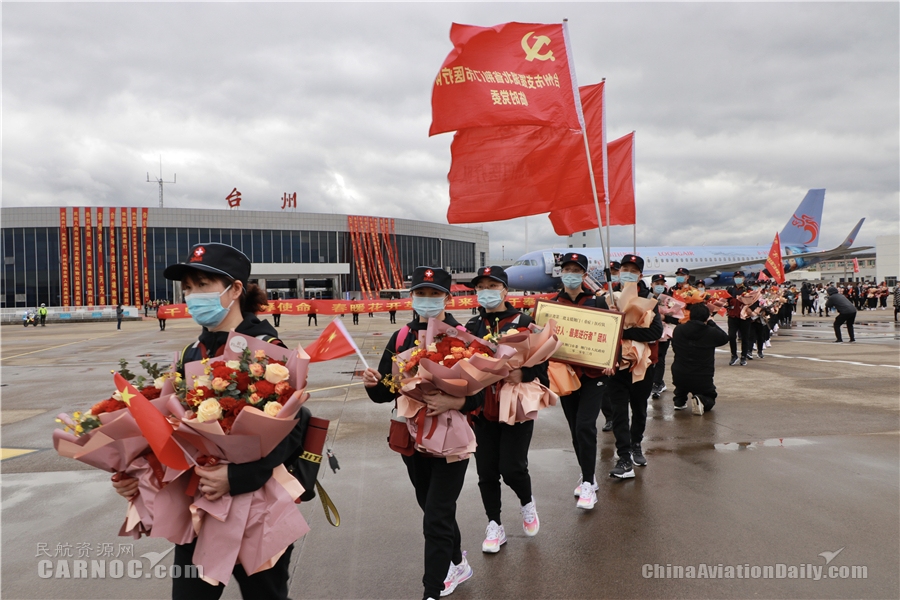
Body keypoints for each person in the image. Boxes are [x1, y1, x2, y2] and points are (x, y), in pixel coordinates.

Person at [112, 242, 303, 600]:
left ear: (234, 290)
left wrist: (236, 476)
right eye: (188, 287)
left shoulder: (266, 348)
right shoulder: (190, 353)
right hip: (197, 508)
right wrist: (137, 475)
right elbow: (170, 432)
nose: (192, 295)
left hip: (257, 509)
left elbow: (294, 429)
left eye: (203, 285)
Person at [362, 266, 476, 600]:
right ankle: (457, 562)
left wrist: (457, 399)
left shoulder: (463, 337)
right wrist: (373, 384)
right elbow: (386, 391)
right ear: (411, 297)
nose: (427, 300)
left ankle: (432, 589)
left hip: (452, 438)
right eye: (421, 293)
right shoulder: (399, 338)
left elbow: (481, 393)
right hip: (412, 437)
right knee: (430, 505)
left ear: (447, 297)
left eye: (434, 294)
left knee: (437, 515)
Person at [464, 266, 547, 553]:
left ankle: (527, 502)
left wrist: (522, 374)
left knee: (512, 467)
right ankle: (494, 525)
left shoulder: (524, 322)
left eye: (492, 285)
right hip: (481, 409)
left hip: (515, 408)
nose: (485, 291)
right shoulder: (471, 326)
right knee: (486, 471)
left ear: (504, 290)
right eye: (480, 286)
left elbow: (543, 366)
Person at [551, 253, 608, 508]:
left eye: (576, 270)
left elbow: (610, 335)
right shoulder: (552, 305)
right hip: (565, 376)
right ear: (561, 273)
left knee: (586, 425)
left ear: (584, 275)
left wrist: (610, 361)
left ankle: (587, 484)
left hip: (593, 375)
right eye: (567, 269)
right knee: (576, 429)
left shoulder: (597, 302)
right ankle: (588, 475)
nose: (570, 274)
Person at [603, 254, 663, 479]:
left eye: (633, 270)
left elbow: (655, 332)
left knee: (639, 408)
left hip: (644, 365)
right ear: (618, 272)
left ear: (639, 275)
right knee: (619, 411)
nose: (627, 272)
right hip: (616, 366)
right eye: (624, 268)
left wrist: (622, 329)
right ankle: (624, 456)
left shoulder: (648, 299)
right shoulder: (607, 298)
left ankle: (636, 443)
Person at [670, 303, 730, 415]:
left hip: (680, 372)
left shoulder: (678, 329)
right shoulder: (710, 331)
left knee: (681, 387)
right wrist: (711, 322)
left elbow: (675, 346)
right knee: (710, 395)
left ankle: (679, 401)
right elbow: (725, 338)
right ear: (706, 316)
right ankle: (701, 399)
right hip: (702, 374)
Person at [650, 273, 674, 399]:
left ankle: (657, 383)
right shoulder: (646, 297)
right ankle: (657, 381)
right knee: (650, 358)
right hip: (649, 332)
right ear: (651, 285)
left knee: (660, 358)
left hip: (664, 333)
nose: (659, 286)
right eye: (657, 284)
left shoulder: (668, 299)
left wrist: (665, 317)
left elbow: (676, 317)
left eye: (661, 284)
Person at [725, 271, 751, 366]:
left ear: (744, 278)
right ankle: (734, 355)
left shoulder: (748, 290)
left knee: (745, 337)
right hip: (733, 316)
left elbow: (754, 303)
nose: (738, 279)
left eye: (740, 277)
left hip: (744, 317)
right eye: (736, 277)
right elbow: (725, 301)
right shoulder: (730, 290)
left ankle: (743, 356)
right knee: (731, 336)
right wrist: (725, 304)